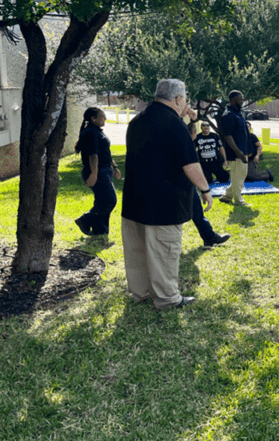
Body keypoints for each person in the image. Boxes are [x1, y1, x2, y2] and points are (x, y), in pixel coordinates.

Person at [121, 79, 213, 310]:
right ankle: (167, 298)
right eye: (186, 99)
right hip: (164, 203)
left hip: (134, 200)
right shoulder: (173, 124)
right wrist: (205, 190)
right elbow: (190, 163)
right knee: (164, 252)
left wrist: (189, 119)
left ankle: (140, 293)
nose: (187, 104)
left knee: (137, 251)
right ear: (178, 99)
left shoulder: (138, 121)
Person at [74, 107, 120, 237]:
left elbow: (106, 153)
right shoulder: (90, 133)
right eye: (102, 116)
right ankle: (84, 220)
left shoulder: (97, 132)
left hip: (105, 170)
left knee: (102, 201)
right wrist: (94, 173)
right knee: (109, 200)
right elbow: (93, 154)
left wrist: (114, 167)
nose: (104, 118)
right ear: (93, 119)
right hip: (97, 171)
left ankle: (100, 232)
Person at [188, 121, 231, 249]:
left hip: (212, 166)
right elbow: (191, 166)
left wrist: (204, 190)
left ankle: (209, 238)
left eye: (207, 126)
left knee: (197, 211)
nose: (205, 128)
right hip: (176, 185)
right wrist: (205, 189)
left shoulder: (214, 136)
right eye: (203, 127)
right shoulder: (189, 144)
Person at [219, 90, 252, 206]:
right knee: (237, 176)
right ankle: (239, 200)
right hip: (235, 153)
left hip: (244, 150)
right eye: (240, 99)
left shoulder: (239, 113)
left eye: (242, 99)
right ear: (232, 100)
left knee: (241, 175)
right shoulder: (228, 115)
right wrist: (238, 152)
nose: (242, 101)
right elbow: (228, 136)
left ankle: (226, 196)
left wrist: (248, 150)